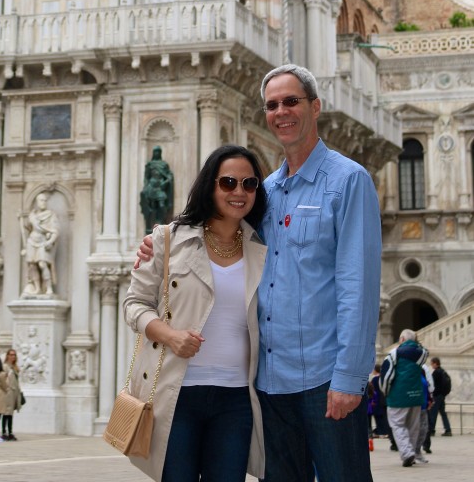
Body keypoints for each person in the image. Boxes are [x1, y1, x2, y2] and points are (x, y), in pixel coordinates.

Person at [137, 63, 382, 482]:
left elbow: (358, 287)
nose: (281, 112)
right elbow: (216, 230)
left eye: (291, 101)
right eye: (272, 105)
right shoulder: (263, 192)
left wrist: (350, 378)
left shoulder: (348, 181)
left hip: (325, 380)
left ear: (315, 107)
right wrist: (160, 240)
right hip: (268, 385)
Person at [124, 144, 267, 482]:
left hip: (236, 399)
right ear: (210, 185)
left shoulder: (262, 246)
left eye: (249, 184)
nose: (239, 192)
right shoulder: (168, 239)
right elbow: (134, 305)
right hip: (178, 393)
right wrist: (170, 336)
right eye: (228, 182)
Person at [380, 328, 428, 468]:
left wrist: (386, 392)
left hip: (398, 396)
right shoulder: (422, 354)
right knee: (413, 427)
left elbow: (387, 376)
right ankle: (411, 453)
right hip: (416, 396)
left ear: (401, 339)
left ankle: (407, 454)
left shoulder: (393, 354)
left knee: (397, 424)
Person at [22, 192, 59, 296]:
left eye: (45, 200)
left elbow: (55, 231)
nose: (44, 202)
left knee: (42, 264)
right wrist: (24, 221)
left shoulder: (51, 215)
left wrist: (50, 242)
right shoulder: (32, 215)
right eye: (41, 200)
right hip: (31, 241)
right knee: (32, 266)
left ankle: (49, 288)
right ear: (37, 202)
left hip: (43, 242)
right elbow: (28, 228)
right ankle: (37, 288)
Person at [139, 145, 174, 232]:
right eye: (156, 151)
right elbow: (146, 178)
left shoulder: (164, 165)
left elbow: (169, 176)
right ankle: (149, 228)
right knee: (151, 208)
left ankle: (161, 224)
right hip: (151, 187)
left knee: (162, 206)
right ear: (153, 153)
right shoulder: (150, 164)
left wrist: (165, 183)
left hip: (160, 188)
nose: (157, 153)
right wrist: (146, 188)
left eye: (159, 151)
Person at [429, 356, 453, 436]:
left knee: (433, 413)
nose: (431, 365)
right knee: (443, 413)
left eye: (432, 364)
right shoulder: (443, 371)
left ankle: (431, 430)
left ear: (435, 363)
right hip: (442, 396)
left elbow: (431, 384)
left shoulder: (436, 372)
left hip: (437, 396)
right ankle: (448, 429)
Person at [2, 348, 22, 440]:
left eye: (14, 355)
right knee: (6, 412)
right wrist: (6, 389)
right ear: (7, 356)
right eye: (11, 354)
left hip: (14, 392)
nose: (13, 356)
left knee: (11, 413)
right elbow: (3, 379)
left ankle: (10, 432)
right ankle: (4, 432)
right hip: (8, 392)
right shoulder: (5, 366)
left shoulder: (15, 367)